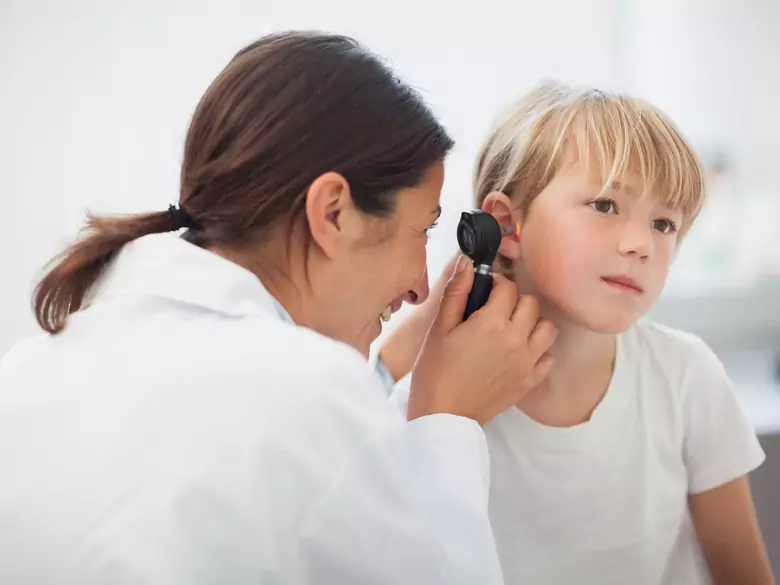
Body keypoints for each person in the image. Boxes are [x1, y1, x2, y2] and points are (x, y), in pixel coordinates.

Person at [0, 32, 559, 584]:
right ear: (334, 212)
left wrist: (381, 374)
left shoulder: (25, 372)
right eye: (423, 229)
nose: (419, 287)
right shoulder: (307, 395)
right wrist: (448, 422)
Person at [380, 81, 776, 584]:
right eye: (606, 206)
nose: (641, 244)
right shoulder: (434, 410)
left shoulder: (685, 377)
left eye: (664, 223)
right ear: (505, 225)